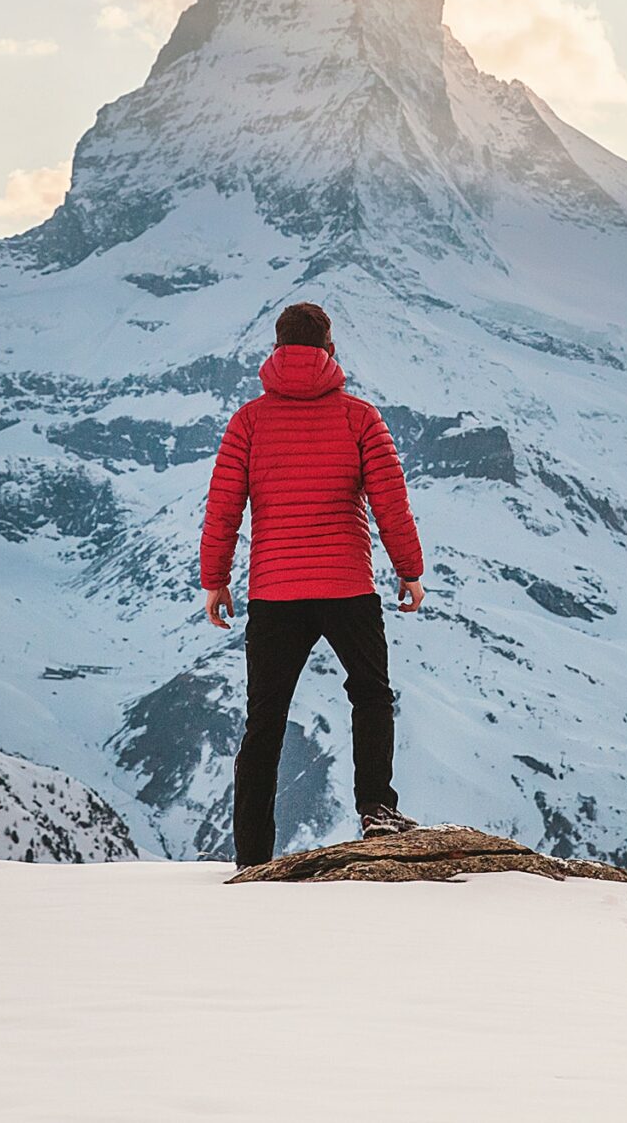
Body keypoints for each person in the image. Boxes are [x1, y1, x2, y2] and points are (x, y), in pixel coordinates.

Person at [200, 300, 426, 868]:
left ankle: (252, 854)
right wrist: (409, 571)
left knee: (265, 719)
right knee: (370, 694)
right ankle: (377, 809)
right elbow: (389, 502)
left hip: (275, 593)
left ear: (276, 350)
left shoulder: (248, 421)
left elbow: (224, 508)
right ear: (329, 348)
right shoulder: (359, 417)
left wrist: (216, 580)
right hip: (347, 586)